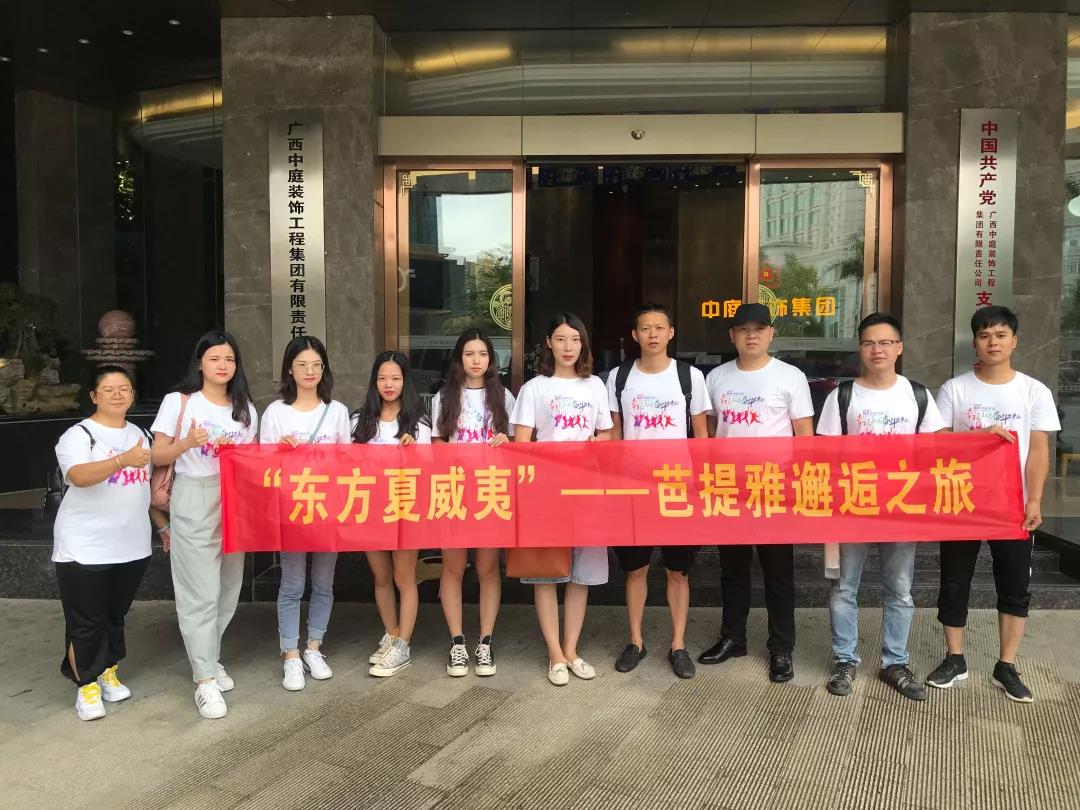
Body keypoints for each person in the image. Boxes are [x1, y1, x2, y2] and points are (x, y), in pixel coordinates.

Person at [928, 306, 1059, 702]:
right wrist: (978, 436)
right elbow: (938, 442)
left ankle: (1006, 665)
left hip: (1012, 504)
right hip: (962, 500)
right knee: (954, 582)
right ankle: (955, 658)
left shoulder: (1034, 391)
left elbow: (1038, 452)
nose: (993, 342)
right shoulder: (955, 389)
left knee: (1014, 585)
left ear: (1014, 341)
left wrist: (1034, 499)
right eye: (985, 335)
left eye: (1001, 335)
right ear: (975, 342)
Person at [816, 312, 946, 701]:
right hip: (852, 505)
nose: (878, 350)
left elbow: (935, 451)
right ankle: (844, 660)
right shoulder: (843, 395)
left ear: (899, 348)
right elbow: (825, 455)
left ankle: (895, 662)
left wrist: (984, 438)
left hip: (901, 507)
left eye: (885, 342)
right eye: (870, 343)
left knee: (900, 590)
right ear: (860, 349)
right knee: (844, 588)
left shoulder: (917, 395)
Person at [698, 302, 813, 683]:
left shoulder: (790, 377)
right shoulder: (716, 377)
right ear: (732, 335)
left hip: (773, 487)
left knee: (778, 572)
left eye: (759, 329)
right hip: (730, 487)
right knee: (732, 569)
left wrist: (798, 485)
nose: (752, 336)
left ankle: (781, 647)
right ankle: (733, 637)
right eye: (743, 329)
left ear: (771, 333)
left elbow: (804, 436)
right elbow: (709, 430)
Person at [151, 330, 258, 719]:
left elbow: (253, 461)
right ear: (200, 363)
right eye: (214, 358)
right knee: (200, 591)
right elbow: (157, 453)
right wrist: (186, 443)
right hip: (194, 493)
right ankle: (204, 680)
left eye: (229, 359)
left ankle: (210, 658)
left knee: (228, 588)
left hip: (235, 499)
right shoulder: (180, 402)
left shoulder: (246, 409)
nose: (222, 365)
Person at [53, 365, 164, 721]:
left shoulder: (141, 434)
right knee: (86, 620)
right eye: (109, 389)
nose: (118, 395)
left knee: (114, 615)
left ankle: (107, 670)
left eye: (124, 388)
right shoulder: (78, 435)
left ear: (133, 395)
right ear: (94, 396)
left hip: (131, 544)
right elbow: (78, 476)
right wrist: (121, 460)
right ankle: (86, 684)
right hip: (84, 545)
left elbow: (144, 489)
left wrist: (162, 526)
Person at [607, 303, 710, 680]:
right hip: (634, 489)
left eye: (659, 328)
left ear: (671, 333)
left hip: (677, 487)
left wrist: (701, 484)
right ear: (635, 335)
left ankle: (678, 644)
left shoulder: (689, 377)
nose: (652, 334)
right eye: (645, 328)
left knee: (677, 571)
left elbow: (701, 436)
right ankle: (635, 641)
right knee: (635, 569)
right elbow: (615, 434)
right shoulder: (619, 377)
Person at [511, 312, 613, 686]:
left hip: (587, 488)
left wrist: (598, 443)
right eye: (560, 339)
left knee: (581, 574)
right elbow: (522, 443)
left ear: (582, 344)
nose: (568, 347)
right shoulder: (534, 389)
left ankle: (571, 650)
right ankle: (554, 653)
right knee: (546, 571)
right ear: (548, 344)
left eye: (575, 339)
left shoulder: (595, 386)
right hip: (547, 490)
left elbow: (607, 434)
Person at [260, 336, 351, 692]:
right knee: (293, 584)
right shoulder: (275, 412)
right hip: (292, 508)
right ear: (290, 370)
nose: (309, 371)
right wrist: (280, 454)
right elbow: (262, 466)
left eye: (316, 365)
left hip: (329, 508)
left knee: (324, 583)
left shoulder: (337, 411)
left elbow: (347, 461)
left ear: (324, 370)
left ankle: (314, 647)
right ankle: (290, 654)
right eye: (302, 365)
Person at [431, 328, 515, 678]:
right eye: (469, 354)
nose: (476, 360)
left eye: (482, 354)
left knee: (487, 569)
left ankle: (485, 641)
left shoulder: (504, 396)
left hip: (490, 493)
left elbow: (516, 445)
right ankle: (457, 642)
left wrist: (505, 443)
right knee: (453, 568)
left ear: (491, 359)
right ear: (459, 358)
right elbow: (436, 445)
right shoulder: (443, 397)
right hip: (453, 492)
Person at [352, 350, 432, 677]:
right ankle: (391, 633)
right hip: (370, 508)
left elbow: (429, 471)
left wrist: (415, 454)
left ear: (405, 381)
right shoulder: (359, 421)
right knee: (382, 577)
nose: (389, 384)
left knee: (403, 577)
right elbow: (348, 466)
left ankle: (403, 645)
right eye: (382, 378)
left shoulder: (418, 423)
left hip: (406, 508)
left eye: (395, 378)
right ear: (374, 381)